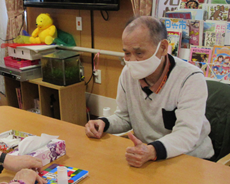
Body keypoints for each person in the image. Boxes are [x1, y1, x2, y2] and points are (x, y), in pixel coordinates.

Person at [85, 16, 213, 167]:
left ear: (163, 48)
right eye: (127, 53)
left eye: (139, 53)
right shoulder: (128, 73)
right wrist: (103, 123)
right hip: (148, 155)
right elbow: (124, 117)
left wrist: (152, 151)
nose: (132, 60)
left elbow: (187, 134)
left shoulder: (190, 78)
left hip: (190, 159)